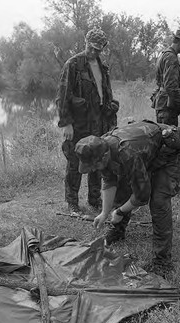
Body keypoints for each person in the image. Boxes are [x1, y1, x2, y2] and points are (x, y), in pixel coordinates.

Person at [74, 120, 180, 273]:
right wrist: (104, 213)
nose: (94, 169)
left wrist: (120, 211)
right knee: (123, 187)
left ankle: (163, 262)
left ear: (104, 157)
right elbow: (109, 181)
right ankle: (118, 230)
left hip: (171, 152)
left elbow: (142, 195)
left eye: (94, 166)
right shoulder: (100, 147)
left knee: (158, 200)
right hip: (148, 152)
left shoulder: (127, 153)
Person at [56, 28, 119, 214]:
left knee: (96, 159)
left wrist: (110, 119)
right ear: (86, 43)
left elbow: (106, 94)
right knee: (75, 162)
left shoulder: (102, 66)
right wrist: (66, 123)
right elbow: (63, 95)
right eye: (91, 48)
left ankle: (94, 199)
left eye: (98, 50)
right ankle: (72, 203)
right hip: (78, 123)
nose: (94, 52)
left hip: (98, 121)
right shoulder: (73, 64)